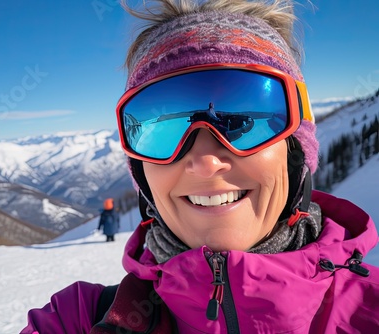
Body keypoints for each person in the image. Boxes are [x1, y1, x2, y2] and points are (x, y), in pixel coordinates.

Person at [21, 1, 379, 333]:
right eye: (163, 133)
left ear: (295, 153)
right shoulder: (82, 318)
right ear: (142, 175)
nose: (206, 162)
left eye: (251, 104)